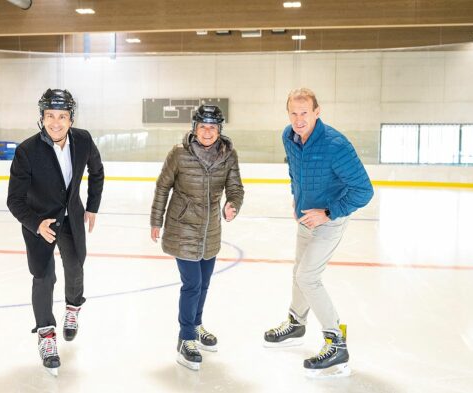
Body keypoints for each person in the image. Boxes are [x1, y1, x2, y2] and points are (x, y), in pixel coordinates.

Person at [263, 88, 373, 378]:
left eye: (304, 113)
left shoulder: (335, 145)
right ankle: (296, 322)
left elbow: (364, 190)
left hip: (328, 220)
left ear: (317, 112)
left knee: (308, 277)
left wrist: (328, 212)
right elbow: (295, 172)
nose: (299, 119)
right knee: (299, 270)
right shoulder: (289, 136)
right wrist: (295, 199)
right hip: (304, 217)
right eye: (294, 113)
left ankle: (336, 343)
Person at [7, 88, 104, 376]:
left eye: (62, 116)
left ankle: (73, 308)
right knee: (44, 276)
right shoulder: (27, 151)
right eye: (50, 116)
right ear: (42, 118)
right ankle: (47, 335)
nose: (56, 122)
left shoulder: (83, 140)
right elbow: (14, 199)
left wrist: (92, 206)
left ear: (71, 119)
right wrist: (36, 224)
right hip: (40, 223)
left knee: (75, 267)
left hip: (72, 218)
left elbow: (97, 172)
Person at [150, 105, 244, 371]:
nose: (207, 132)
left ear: (219, 130)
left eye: (212, 127)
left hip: (210, 230)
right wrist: (156, 220)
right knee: (192, 284)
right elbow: (162, 186)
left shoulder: (228, 155)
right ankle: (186, 337)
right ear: (194, 128)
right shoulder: (179, 153)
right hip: (182, 228)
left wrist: (232, 204)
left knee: (203, 284)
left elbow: (235, 187)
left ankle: (196, 324)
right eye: (203, 126)